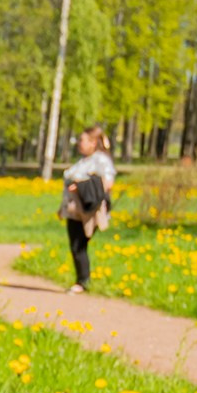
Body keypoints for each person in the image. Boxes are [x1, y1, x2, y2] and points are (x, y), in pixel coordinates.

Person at [59, 124, 115, 293]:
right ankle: (82, 280)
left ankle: (82, 282)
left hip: (88, 210)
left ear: (93, 142)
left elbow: (107, 183)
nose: (79, 143)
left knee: (79, 245)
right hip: (74, 210)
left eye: (82, 140)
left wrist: (81, 188)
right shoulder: (84, 160)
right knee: (76, 245)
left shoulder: (101, 160)